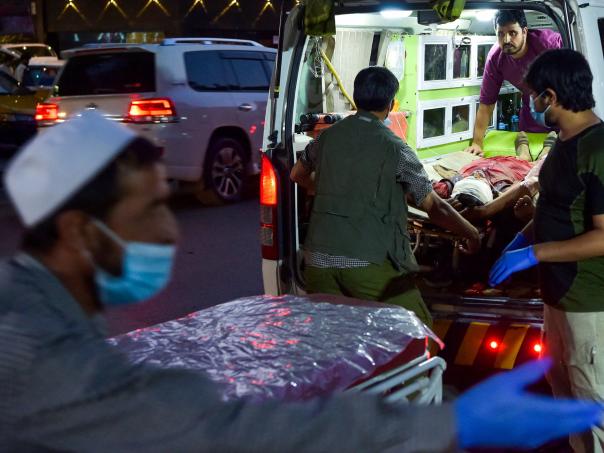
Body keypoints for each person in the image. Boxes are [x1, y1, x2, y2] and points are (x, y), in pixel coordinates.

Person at [0, 110, 601, 452]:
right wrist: (453, 422)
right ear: (78, 231)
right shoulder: (38, 360)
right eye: (150, 210)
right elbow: (230, 430)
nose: (169, 230)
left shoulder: (40, 317)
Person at [290, 66, 481, 327]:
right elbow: (435, 207)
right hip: (367, 263)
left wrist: (334, 189)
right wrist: (471, 233)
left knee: (337, 334)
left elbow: (297, 174)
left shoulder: (325, 138)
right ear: (391, 104)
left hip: (317, 261)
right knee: (417, 330)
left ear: (356, 98)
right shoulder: (397, 150)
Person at [488, 49, 604, 452]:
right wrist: (522, 239)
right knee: (567, 402)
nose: (531, 105)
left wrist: (535, 254)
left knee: (592, 406)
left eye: (533, 96)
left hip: (588, 304)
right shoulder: (564, 145)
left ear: (550, 96)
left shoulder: (598, 150)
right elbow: (554, 209)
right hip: (557, 298)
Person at [465, 9, 562, 156]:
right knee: (524, 159)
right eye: (500, 34)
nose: (506, 40)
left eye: (512, 33)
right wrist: (477, 143)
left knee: (554, 156)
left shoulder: (550, 44)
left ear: (524, 31)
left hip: (563, 108)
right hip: (532, 115)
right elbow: (486, 104)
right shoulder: (495, 58)